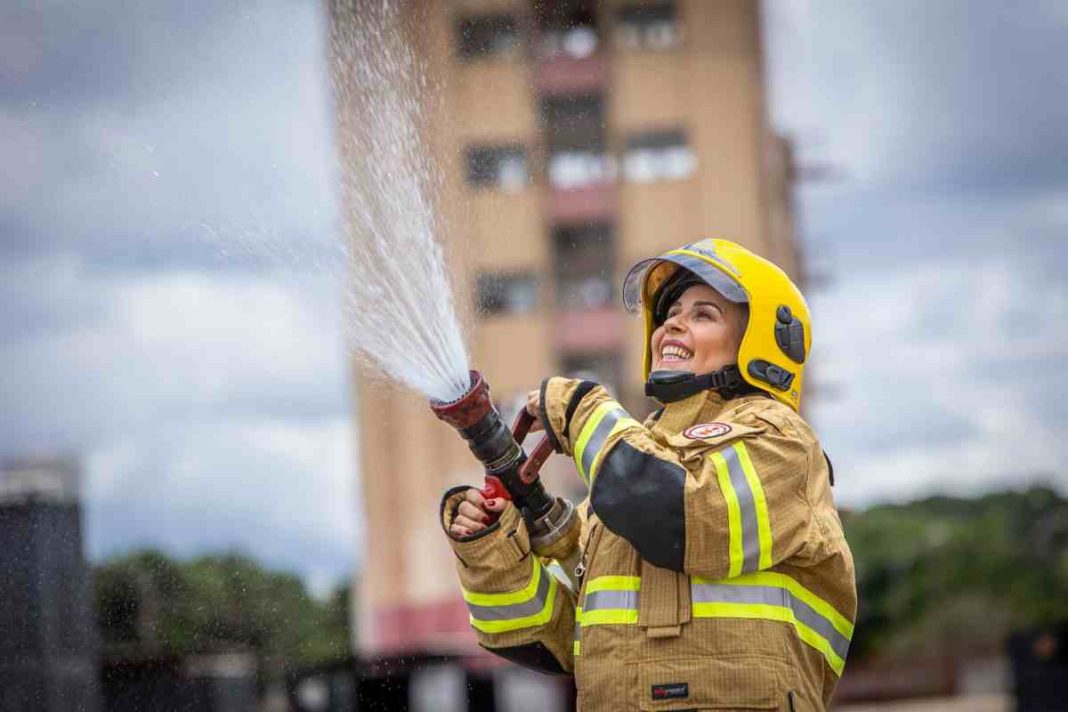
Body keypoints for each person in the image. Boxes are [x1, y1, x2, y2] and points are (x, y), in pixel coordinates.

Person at [440, 239, 857, 710]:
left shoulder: (780, 441)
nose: (672, 323)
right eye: (670, 312)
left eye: (704, 314)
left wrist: (582, 408)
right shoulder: (628, 474)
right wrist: (491, 547)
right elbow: (547, 641)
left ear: (760, 343)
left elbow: (689, 517)